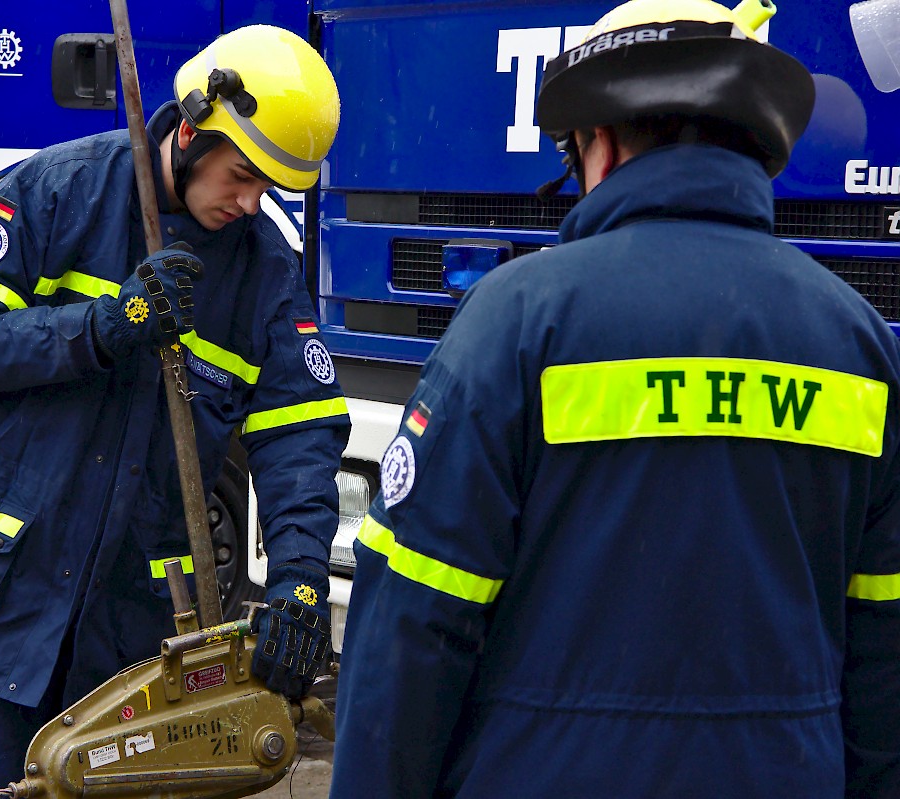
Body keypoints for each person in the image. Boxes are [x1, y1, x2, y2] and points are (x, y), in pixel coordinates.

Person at [331, 0, 900, 796]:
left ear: (599, 142)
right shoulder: (863, 344)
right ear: (755, 147)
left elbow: (414, 630)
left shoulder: (514, 322)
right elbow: (884, 657)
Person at [0, 24, 348, 799]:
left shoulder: (265, 275)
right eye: (242, 174)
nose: (251, 200)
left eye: (270, 187)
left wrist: (297, 580)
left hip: (127, 639)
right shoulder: (59, 192)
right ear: (192, 131)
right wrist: (101, 328)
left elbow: (301, 435)